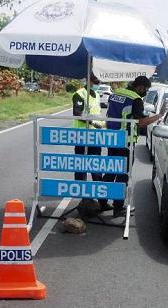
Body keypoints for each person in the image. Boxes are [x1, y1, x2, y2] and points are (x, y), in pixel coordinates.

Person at [101, 76, 166, 217]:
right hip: (125, 142)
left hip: (111, 139)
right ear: (140, 87)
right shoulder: (136, 99)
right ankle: (118, 208)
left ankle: (102, 202)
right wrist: (159, 115)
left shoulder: (116, 93)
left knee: (110, 171)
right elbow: (141, 123)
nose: (145, 92)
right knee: (122, 175)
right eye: (145, 89)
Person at [72, 74, 111, 212]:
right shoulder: (79, 94)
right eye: (96, 81)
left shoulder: (96, 95)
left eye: (99, 82)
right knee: (81, 168)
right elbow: (77, 113)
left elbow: (97, 113)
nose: (97, 84)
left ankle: (102, 202)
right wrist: (93, 122)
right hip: (81, 137)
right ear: (88, 80)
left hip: (95, 137)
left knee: (96, 168)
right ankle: (84, 200)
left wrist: (102, 124)